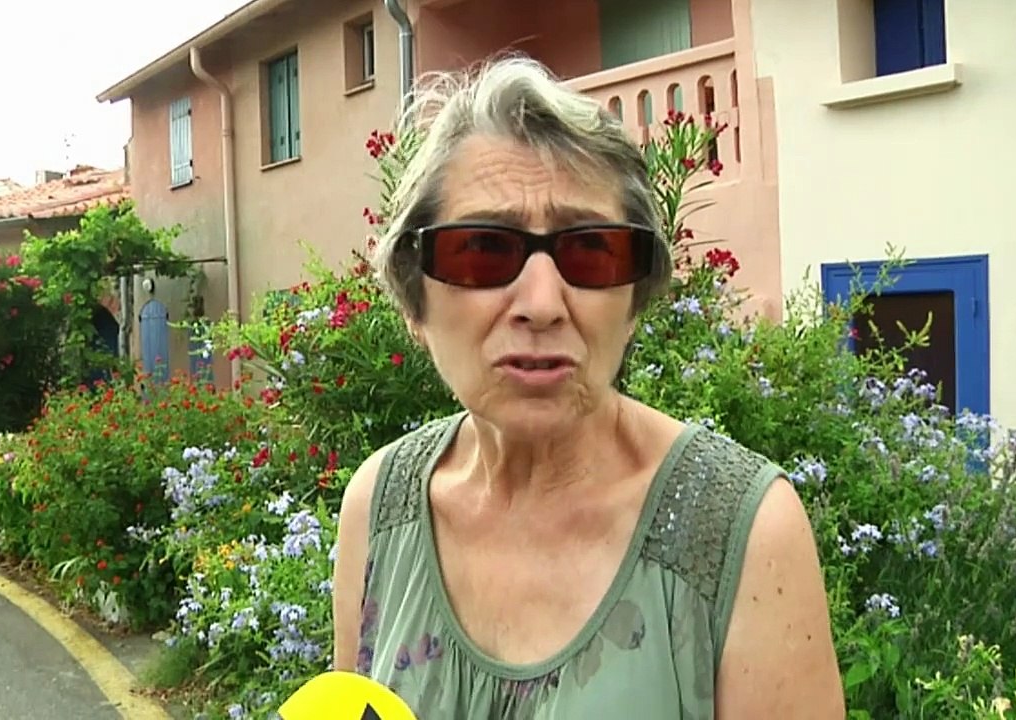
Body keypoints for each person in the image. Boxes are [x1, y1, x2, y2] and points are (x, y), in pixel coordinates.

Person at [330, 55, 844, 719]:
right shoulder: (380, 507)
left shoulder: (741, 533)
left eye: (590, 251)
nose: (541, 303)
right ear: (414, 298)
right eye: (483, 250)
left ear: (635, 300)